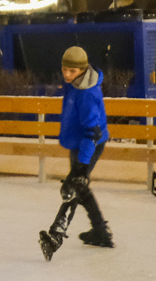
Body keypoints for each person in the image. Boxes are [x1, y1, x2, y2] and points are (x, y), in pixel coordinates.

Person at [40, 46, 112, 259]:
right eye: (64, 69)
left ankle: (56, 235)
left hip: (90, 143)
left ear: (82, 70)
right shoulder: (74, 84)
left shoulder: (87, 92)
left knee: (75, 185)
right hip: (79, 142)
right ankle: (100, 232)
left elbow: (92, 131)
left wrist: (82, 164)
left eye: (72, 71)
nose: (67, 74)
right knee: (80, 187)